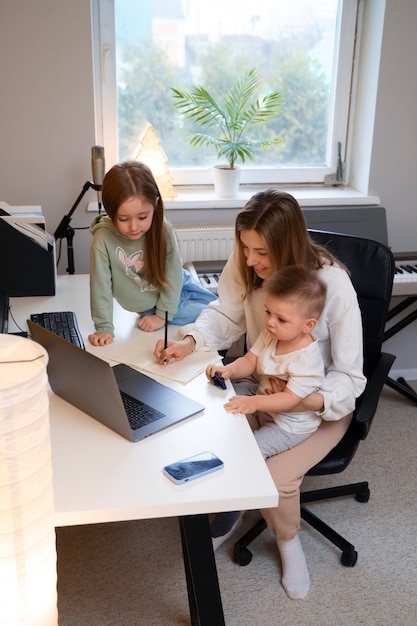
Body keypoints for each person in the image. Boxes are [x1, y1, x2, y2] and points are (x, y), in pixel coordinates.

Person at [154, 189, 366, 600]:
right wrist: (191, 340)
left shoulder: (332, 286)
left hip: (318, 408)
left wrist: (304, 398)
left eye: (261, 252)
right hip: (263, 386)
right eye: (246, 248)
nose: (250, 260)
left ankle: (288, 542)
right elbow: (225, 313)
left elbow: (350, 377)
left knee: (273, 475)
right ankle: (227, 514)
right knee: (217, 426)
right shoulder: (249, 261)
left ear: (287, 247)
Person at [88, 160, 216, 346]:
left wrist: (162, 316)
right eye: (123, 219)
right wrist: (104, 327)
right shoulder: (103, 240)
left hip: (178, 285)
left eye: (142, 217)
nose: (134, 227)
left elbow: (173, 273)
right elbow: (100, 287)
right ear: (110, 210)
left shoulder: (163, 229)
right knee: (214, 316)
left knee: (222, 312)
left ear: (155, 204)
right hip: (154, 304)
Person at [206, 265, 327, 460]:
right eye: (268, 312)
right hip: (264, 401)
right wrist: (228, 369)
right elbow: (249, 361)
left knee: (251, 452)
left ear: (308, 325)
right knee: (221, 396)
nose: (270, 322)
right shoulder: (271, 335)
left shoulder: (306, 360)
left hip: (288, 424)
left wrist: (254, 403)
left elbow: (290, 400)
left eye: (281, 319)